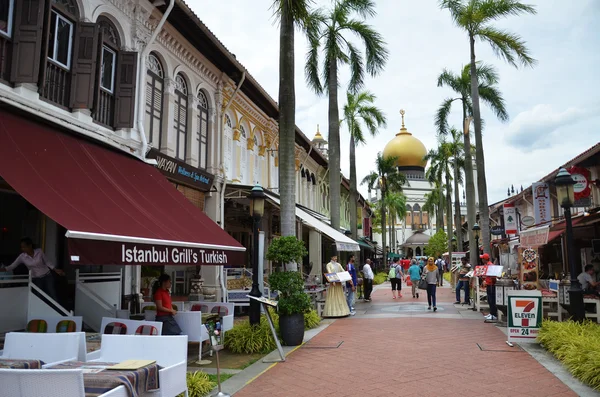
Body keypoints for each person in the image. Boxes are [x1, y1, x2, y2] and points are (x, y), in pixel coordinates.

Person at [0, 237, 63, 301]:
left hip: (47, 276)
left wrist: (55, 269)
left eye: (24, 247)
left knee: (52, 293)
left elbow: (47, 262)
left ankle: (57, 310)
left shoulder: (39, 251)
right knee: (39, 295)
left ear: (30, 246)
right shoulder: (22, 257)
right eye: (22, 247)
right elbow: (11, 266)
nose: (23, 249)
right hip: (36, 278)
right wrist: (2, 269)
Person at [481, 253, 498, 321]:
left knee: (492, 300)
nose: (481, 260)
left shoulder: (490, 265)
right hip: (489, 284)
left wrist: (491, 280)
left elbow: (493, 276)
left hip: (491, 285)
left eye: (482, 258)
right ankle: (491, 313)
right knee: (490, 299)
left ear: (485, 259)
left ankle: (494, 314)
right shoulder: (487, 265)